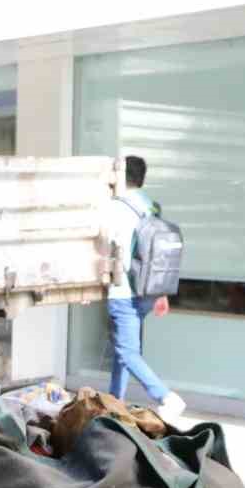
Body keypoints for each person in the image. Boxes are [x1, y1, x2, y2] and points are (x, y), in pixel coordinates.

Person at [103, 155, 186, 423]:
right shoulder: (152, 206)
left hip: (124, 291)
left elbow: (108, 247)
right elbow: (156, 254)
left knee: (127, 351)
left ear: (119, 176)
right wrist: (160, 293)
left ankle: (166, 397)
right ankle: (114, 403)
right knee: (123, 350)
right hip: (147, 291)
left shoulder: (116, 207)